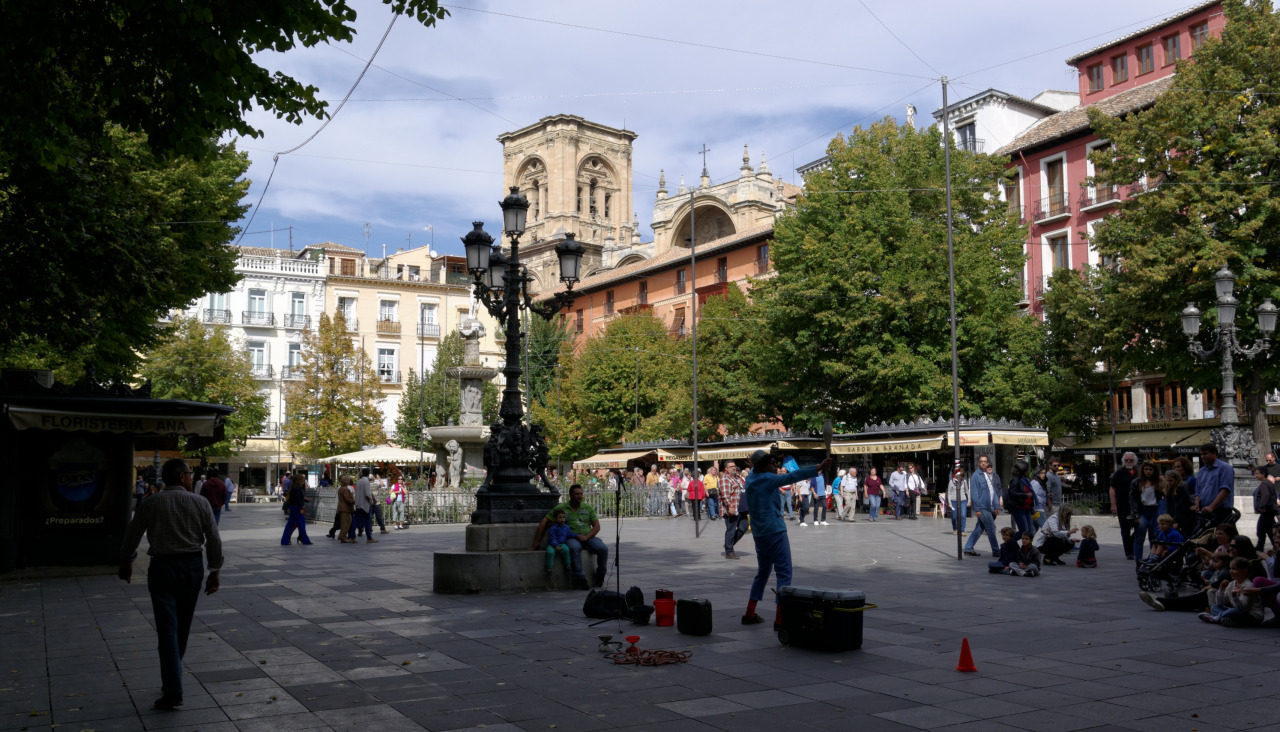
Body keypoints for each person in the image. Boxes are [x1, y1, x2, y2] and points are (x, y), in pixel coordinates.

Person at [118, 458, 222, 711]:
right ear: (181, 477)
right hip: (191, 568)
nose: (192, 477)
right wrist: (214, 570)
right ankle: (172, 681)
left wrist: (127, 560)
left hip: (162, 568)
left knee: (167, 628)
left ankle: (172, 685)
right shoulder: (200, 503)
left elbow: (132, 534)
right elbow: (214, 539)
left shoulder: (151, 503)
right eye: (189, 473)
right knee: (182, 625)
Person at [740, 450, 831, 629]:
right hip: (774, 531)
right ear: (764, 466)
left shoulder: (751, 478)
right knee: (784, 573)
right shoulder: (767, 479)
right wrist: (819, 467)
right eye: (772, 463)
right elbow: (793, 476)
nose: (776, 466)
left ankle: (749, 613)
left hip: (759, 534)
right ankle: (780, 619)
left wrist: (753, 466)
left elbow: (754, 470)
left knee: (763, 572)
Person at [530, 484, 608, 590]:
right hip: (572, 537)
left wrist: (586, 537)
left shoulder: (587, 508)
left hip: (588, 537)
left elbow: (597, 526)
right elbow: (544, 521)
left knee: (603, 548)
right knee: (573, 548)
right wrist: (536, 541)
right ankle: (579, 577)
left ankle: (601, 574)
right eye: (577, 494)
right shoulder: (561, 508)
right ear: (571, 495)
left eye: (581, 494)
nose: (579, 496)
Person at [1200, 557, 1263, 626]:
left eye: (1234, 569)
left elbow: (1241, 608)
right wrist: (1221, 590)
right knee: (1214, 607)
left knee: (1233, 611)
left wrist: (1234, 596)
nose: (1231, 571)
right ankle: (1224, 619)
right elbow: (1220, 603)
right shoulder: (1232, 584)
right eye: (1230, 568)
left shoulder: (1248, 585)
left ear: (1244, 571)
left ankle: (1217, 618)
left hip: (1251, 615)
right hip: (1238, 611)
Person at [964, 454, 1003, 557]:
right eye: (981, 461)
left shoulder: (987, 474)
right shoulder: (975, 476)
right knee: (991, 528)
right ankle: (996, 550)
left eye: (985, 461)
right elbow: (974, 493)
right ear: (978, 463)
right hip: (982, 507)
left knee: (979, 528)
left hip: (990, 506)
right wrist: (977, 509)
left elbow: (992, 491)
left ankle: (968, 547)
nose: (984, 463)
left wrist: (996, 506)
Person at [1194, 443, 1234, 523]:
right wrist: (1197, 505)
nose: (1203, 457)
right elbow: (1198, 491)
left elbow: (1225, 490)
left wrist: (1212, 507)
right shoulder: (1201, 471)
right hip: (1204, 511)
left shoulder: (1225, 468)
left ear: (1214, 453)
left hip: (1220, 511)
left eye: (1205, 454)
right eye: (1201, 454)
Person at [1110, 452, 1138, 560]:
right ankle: (1129, 552)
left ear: (1134, 461)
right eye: (1126, 460)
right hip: (1123, 505)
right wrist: (1113, 504)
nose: (1129, 462)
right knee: (1125, 530)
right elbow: (1112, 489)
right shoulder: (1119, 473)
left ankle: (1132, 545)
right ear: (1123, 461)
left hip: (1136, 506)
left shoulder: (1138, 472)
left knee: (1139, 528)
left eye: (1131, 460)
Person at [720, 461, 748, 560]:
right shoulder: (725, 478)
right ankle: (729, 552)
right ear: (726, 469)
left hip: (741, 509)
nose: (733, 468)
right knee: (731, 530)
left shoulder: (737, 477)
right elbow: (725, 494)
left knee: (744, 527)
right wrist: (729, 506)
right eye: (731, 466)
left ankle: (729, 543)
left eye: (734, 466)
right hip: (732, 509)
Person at [280, 470, 313, 546]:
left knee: (290, 524)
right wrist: (301, 508)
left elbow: (295, 498)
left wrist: (304, 499)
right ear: (299, 480)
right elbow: (298, 499)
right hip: (297, 508)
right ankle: (305, 540)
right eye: (302, 480)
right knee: (301, 524)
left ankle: (284, 540)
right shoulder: (298, 488)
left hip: (293, 507)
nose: (303, 481)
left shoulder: (294, 488)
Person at [1160, 469, 1196, 536]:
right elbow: (1169, 506)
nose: (1168, 483)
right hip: (1174, 517)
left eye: (1170, 481)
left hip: (1183, 519)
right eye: (1167, 481)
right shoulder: (1169, 489)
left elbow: (1180, 507)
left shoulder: (1180, 489)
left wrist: (1177, 521)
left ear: (1176, 480)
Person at [1006, 460, 1035, 539]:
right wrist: (1025, 495)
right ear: (1023, 470)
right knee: (1024, 531)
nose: (1028, 471)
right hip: (1019, 508)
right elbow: (1011, 492)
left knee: (1030, 531)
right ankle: (1010, 543)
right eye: (1027, 469)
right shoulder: (1016, 480)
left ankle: (1026, 548)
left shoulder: (1025, 480)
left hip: (1027, 508)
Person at [1252, 464, 1278, 553]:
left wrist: (1262, 507)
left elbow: (1266, 495)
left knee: (1261, 529)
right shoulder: (1268, 483)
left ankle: (1260, 547)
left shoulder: (1264, 484)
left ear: (1263, 474)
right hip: (1270, 511)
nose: (1256, 475)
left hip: (1267, 511)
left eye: (1257, 474)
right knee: (1269, 530)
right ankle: (1271, 545)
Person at [349, 468, 378, 543]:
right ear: (368, 474)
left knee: (355, 521)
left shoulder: (358, 481)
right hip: (365, 505)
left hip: (358, 504)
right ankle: (369, 537)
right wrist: (370, 502)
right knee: (367, 521)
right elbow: (367, 494)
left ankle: (352, 536)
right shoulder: (366, 482)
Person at [544, 509, 572, 581]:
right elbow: (552, 538)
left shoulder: (566, 527)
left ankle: (568, 566)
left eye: (563, 517)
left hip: (562, 544)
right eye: (560, 517)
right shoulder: (552, 528)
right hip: (552, 544)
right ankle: (549, 569)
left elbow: (569, 534)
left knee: (566, 549)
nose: (562, 519)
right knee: (550, 552)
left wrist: (577, 536)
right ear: (555, 519)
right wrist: (555, 546)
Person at [333, 475, 356, 543]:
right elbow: (348, 499)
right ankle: (342, 536)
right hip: (345, 508)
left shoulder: (341, 488)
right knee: (346, 524)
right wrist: (354, 501)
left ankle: (342, 536)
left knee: (345, 523)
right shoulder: (345, 489)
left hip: (342, 508)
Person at [948, 466, 969, 536]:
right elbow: (949, 493)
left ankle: (962, 530)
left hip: (963, 500)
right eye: (960, 476)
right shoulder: (951, 482)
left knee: (963, 515)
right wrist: (949, 502)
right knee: (954, 516)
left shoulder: (964, 481)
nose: (961, 478)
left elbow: (967, 491)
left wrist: (969, 500)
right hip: (953, 500)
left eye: (962, 477)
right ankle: (955, 528)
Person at [1029, 466, 1049, 533]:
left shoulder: (1040, 482)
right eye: (1041, 473)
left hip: (1038, 508)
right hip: (1037, 509)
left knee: (1034, 529)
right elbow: (1033, 496)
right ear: (1037, 473)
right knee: (1045, 529)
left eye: (1044, 473)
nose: (1043, 475)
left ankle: (1028, 542)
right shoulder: (1035, 483)